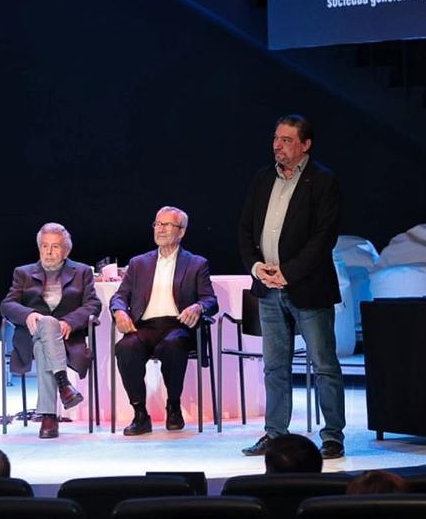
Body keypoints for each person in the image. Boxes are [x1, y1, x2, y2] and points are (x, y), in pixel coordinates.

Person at [238, 114, 345, 460]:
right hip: (267, 288)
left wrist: (289, 272)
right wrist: (256, 267)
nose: (277, 145)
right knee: (274, 366)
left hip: (307, 286)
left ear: (305, 145)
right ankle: (275, 434)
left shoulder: (323, 180)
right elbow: (244, 229)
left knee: (324, 364)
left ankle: (332, 437)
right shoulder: (262, 178)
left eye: (286, 140)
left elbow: (323, 237)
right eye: (276, 138)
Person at [110, 206, 217, 436]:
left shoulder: (197, 263)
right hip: (145, 326)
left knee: (172, 345)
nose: (160, 229)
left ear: (181, 232)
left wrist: (197, 307)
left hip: (178, 326)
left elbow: (210, 299)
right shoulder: (139, 263)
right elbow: (119, 296)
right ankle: (140, 413)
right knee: (125, 347)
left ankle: (174, 405)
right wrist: (119, 312)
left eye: (167, 225)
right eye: (157, 224)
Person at [0, 222, 101, 439]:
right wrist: (27, 314)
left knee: (43, 345)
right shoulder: (23, 273)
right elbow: (7, 305)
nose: (49, 251)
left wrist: (70, 322)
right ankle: (64, 386)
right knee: (45, 323)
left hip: (65, 338)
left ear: (66, 250)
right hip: (31, 332)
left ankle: (48, 415)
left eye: (55, 247)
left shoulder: (82, 272)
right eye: (45, 246)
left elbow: (93, 305)